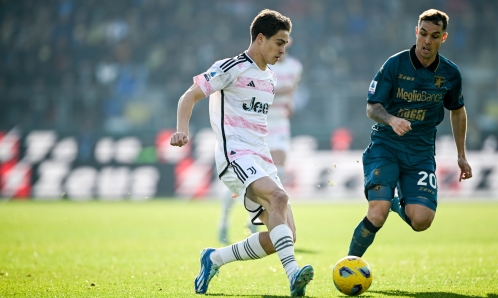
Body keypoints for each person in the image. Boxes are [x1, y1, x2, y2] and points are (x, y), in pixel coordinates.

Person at [170, 9, 314, 297]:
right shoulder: (230, 67)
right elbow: (189, 95)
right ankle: (293, 275)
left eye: (285, 44)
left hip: (261, 157)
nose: (283, 50)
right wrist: (181, 129)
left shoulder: (270, 79)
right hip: (234, 154)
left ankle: (213, 259)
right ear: (260, 39)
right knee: (279, 197)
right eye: (279, 42)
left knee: (285, 236)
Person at [348, 9, 473, 258]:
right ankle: (349, 263)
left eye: (434, 36)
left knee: (422, 220)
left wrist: (461, 155)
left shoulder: (450, 74)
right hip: (386, 145)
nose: (427, 41)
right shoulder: (395, 64)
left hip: (421, 152)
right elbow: (372, 106)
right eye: (423, 34)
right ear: (416, 32)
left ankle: (395, 202)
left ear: (443, 38)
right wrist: (392, 120)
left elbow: (457, 111)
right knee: (377, 213)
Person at [217, 38, 303, 245]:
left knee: (277, 174)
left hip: (280, 124)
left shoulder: (295, 66)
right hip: (255, 126)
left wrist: (290, 102)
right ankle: (223, 223)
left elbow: (293, 88)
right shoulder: (260, 65)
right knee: (242, 181)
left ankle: (252, 219)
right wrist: (278, 93)